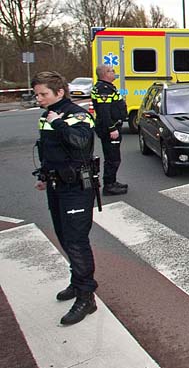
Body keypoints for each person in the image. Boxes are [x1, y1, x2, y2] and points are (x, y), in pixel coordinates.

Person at [32, 71, 99, 325]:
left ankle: (86, 296)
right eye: (37, 94)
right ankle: (77, 281)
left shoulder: (76, 114)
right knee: (63, 236)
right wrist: (43, 175)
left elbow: (81, 143)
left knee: (76, 240)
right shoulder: (45, 115)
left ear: (59, 92)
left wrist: (59, 122)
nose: (39, 98)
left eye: (43, 94)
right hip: (55, 185)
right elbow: (49, 150)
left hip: (76, 188)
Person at [91, 64, 128, 196]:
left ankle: (112, 181)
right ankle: (109, 185)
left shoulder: (107, 87)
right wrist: (111, 128)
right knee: (113, 158)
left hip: (112, 126)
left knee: (113, 157)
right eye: (112, 71)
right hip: (109, 128)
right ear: (105, 74)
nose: (114, 73)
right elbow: (104, 112)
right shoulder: (103, 89)